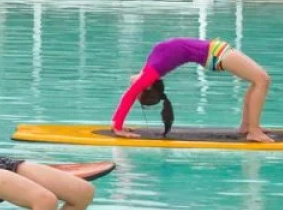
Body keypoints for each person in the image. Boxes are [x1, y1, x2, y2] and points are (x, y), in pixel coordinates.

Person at [112, 37, 274, 142]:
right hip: (216, 55)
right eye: (139, 92)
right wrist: (118, 127)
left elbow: (131, 92)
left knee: (257, 81)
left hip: (217, 51)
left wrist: (117, 124)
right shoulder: (150, 74)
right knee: (262, 80)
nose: (135, 88)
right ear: (147, 87)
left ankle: (247, 126)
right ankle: (253, 131)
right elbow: (130, 95)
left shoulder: (148, 68)